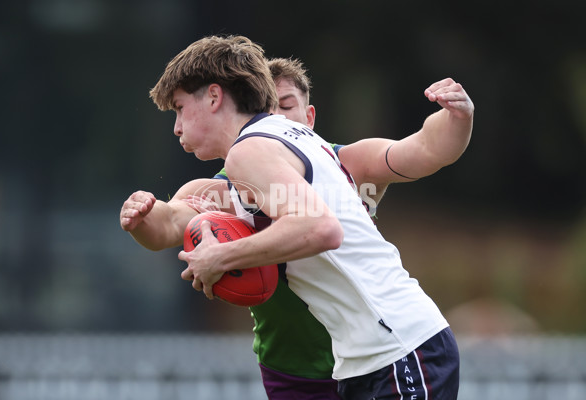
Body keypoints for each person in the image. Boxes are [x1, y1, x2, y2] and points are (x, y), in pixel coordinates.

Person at [136, 34, 473, 399]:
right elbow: (173, 220)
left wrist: (221, 256)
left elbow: (320, 227)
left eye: (180, 108)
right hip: (366, 360)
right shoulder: (293, 139)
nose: (177, 126)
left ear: (215, 97)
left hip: (398, 348)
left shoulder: (248, 151)